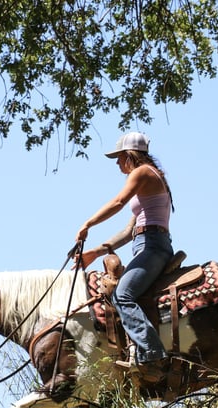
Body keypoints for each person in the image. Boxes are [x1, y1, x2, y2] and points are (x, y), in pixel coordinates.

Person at [75, 132, 174, 373]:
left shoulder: (142, 172)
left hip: (152, 245)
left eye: (119, 157)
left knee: (122, 296)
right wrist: (96, 252)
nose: (118, 163)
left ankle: (151, 353)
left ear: (130, 156)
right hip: (147, 243)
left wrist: (88, 224)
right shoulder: (149, 181)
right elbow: (129, 231)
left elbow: (118, 202)